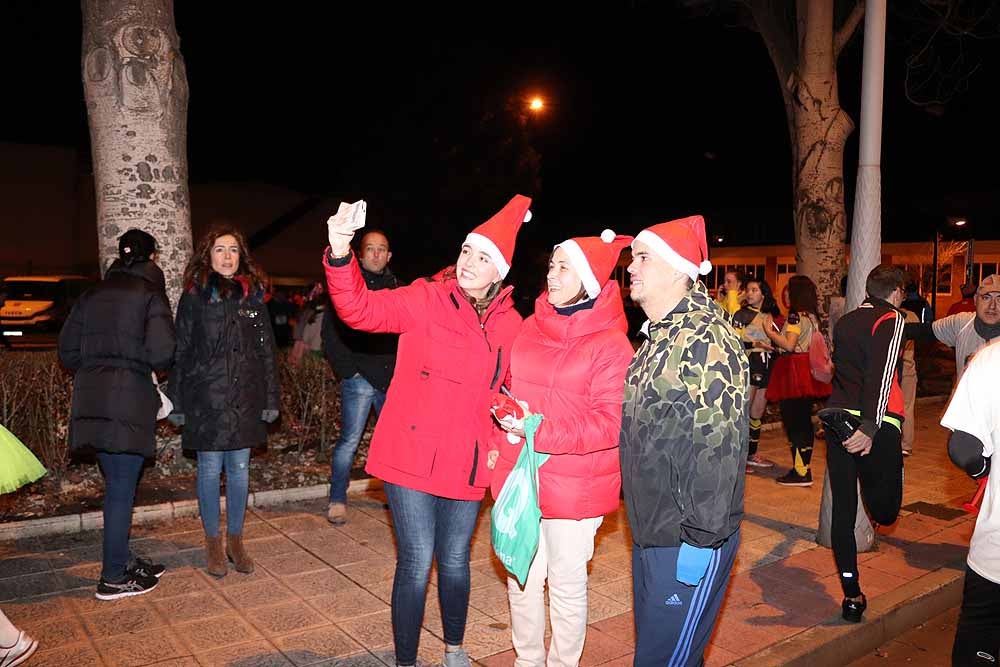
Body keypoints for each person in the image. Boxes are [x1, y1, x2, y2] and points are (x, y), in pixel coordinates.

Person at [324, 196, 531, 667]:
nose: (468, 264)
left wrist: (508, 433)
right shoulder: (425, 297)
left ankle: (455, 650)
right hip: (411, 455)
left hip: (468, 458)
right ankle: (406, 662)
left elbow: (512, 390)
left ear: (499, 270)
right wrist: (340, 249)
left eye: (482, 258)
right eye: (465, 252)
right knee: (417, 563)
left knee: (456, 561)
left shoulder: (510, 325)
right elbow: (359, 310)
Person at [489, 230, 634, 667]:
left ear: (589, 278)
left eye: (564, 267)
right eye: (552, 265)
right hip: (525, 475)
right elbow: (508, 387)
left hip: (577, 484)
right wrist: (506, 421)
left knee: (567, 584)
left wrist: (540, 430)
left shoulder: (612, 344)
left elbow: (610, 423)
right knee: (523, 578)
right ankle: (527, 660)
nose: (552, 275)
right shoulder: (531, 326)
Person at [619, 215, 748, 667]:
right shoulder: (658, 337)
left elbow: (719, 448)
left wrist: (700, 539)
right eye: (632, 257)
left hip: (687, 538)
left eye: (643, 257)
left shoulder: (706, 339)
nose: (631, 267)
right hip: (653, 531)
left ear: (677, 268)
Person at [58, 228, 175, 600]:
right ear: (151, 258)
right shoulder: (149, 294)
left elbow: (68, 352)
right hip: (129, 400)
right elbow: (162, 354)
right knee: (122, 490)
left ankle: (122, 560)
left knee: (117, 486)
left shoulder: (91, 294)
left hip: (93, 398)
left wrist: (99, 366)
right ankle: (112, 576)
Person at [166, 225, 280, 579]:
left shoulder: (253, 297)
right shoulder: (194, 297)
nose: (227, 256)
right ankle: (213, 543)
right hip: (206, 400)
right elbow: (181, 351)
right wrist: (178, 402)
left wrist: (271, 398)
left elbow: (266, 352)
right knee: (210, 470)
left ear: (241, 256)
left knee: (241, 472)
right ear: (208, 255)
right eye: (220, 249)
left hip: (245, 399)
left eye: (233, 250)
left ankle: (236, 541)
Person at [822, 265, 907, 623]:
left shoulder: (845, 322)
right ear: (897, 292)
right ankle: (871, 469)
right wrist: (870, 427)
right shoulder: (892, 318)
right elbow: (882, 373)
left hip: (840, 416)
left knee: (843, 510)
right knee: (886, 513)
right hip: (876, 423)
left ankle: (852, 595)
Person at [322, 229, 399, 524]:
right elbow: (331, 333)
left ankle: (395, 499)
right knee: (349, 441)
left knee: (392, 442)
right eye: (371, 248)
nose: (377, 254)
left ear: (389, 255)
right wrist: (348, 371)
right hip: (359, 378)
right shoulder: (348, 286)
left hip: (390, 378)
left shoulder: (397, 288)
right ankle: (337, 498)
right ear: (361, 253)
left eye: (382, 249)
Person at [940, 338, 999, 666]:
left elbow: (962, 447)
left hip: (997, 551)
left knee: (981, 635)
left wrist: (984, 471)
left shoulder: (991, 358)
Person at [762, 275, 832, 486]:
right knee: (803, 421)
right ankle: (803, 469)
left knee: (794, 422)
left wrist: (770, 333)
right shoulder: (813, 317)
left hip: (792, 371)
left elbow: (790, 345)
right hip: (807, 372)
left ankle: (801, 472)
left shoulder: (794, 317)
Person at [905, 274, 1000, 381]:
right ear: (975, 299)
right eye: (986, 298)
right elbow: (921, 331)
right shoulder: (962, 323)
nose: (992, 306)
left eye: (999, 299)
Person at [731, 277, 780, 470]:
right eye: (748, 290)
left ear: (763, 293)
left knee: (757, 412)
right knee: (745, 410)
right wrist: (755, 344)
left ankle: (752, 453)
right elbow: (733, 341)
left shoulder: (771, 315)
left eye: (754, 290)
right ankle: (738, 456)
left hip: (768, 364)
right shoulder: (741, 314)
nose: (750, 293)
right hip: (750, 362)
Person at [899, 307, 920, 456]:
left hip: (893, 369)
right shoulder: (912, 315)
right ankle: (906, 444)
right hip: (908, 367)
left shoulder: (890, 315)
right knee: (907, 406)